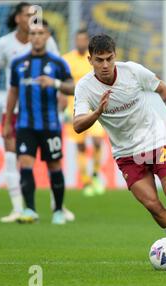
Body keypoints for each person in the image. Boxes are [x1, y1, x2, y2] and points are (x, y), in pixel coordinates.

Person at [73, 34, 166, 261]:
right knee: (152, 204)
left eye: (109, 59)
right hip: (126, 154)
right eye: (99, 60)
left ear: (115, 56)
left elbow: (165, 91)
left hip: (157, 141)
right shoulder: (85, 87)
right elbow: (77, 125)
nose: (106, 65)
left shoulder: (132, 72)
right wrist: (97, 113)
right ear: (90, 60)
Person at [0, 2, 74, 222]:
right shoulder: (15, 58)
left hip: (50, 120)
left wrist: (56, 88)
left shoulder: (55, 59)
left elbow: (69, 83)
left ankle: (58, 209)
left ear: (47, 35)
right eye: (33, 33)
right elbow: (9, 87)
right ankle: (26, 209)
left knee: (53, 164)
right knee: (21, 161)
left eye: (40, 33)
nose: (36, 37)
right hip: (22, 119)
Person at [63, 29, 106, 197]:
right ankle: (86, 180)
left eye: (83, 40)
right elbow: (62, 85)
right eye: (78, 40)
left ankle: (95, 174)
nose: (81, 43)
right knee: (80, 146)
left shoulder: (94, 59)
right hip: (72, 109)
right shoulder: (66, 60)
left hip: (92, 107)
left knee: (96, 141)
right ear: (75, 41)